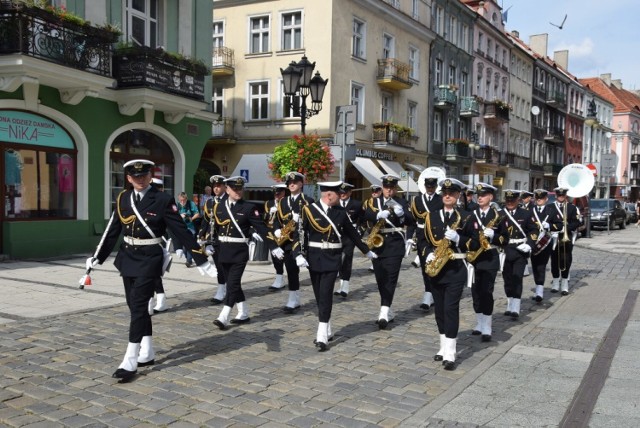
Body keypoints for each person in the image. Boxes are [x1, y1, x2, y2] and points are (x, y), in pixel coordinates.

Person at [87, 159, 217, 382]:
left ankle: (130, 359)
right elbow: (113, 230)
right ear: (128, 178)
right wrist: (97, 257)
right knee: (135, 307)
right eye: (135, 176)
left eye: (144, 175)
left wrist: (200, 258)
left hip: (149, 260)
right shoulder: (123, 198)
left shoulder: (163, 199)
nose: (140, 179)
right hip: (127, 258)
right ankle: (147, 351)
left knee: (138, 306)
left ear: (150, 176)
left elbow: (181, 231)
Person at [293, 181, 377, 350]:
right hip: (314, 258)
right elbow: (299, 234)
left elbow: (353, 234)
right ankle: (327, 327)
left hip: (332, 258)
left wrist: (366, 251)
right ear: (329, 195)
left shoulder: (340, 212)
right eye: (339, 194)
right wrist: (297, 255)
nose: (342, 197)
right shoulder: (309, 210)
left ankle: (322, 335)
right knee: (319, 296)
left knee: (326, 294)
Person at [210, 176, 278, 329]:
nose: (238, 192)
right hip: (223, 250)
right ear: (227, 189)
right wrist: (207, 242)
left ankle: (224, 315)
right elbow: (214, 227)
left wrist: (274, 246)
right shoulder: (219, 207)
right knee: (233, 284)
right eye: (235, 189)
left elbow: (261, 228)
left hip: (239, 251)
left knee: (232, 284)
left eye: (240, 189)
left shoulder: (248, 207)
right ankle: (244, 312)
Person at [423, 178, 471, 370]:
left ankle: (450, 352)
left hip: (456, 268)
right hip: (437, 269)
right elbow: (423, 240)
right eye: (445, 193)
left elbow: (474, 243)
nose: (448, 196)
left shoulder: (467, 216)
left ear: (458, 195)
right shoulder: (431, 216)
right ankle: (443, 346)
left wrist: (459, 238)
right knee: (440, 310)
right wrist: (427, 253)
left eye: (452, 193)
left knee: (451, 308)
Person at [363, 174, 414, 329]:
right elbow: (363, 215)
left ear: (396, 188)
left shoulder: (402, 202)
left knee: (391, 278)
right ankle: (388, 308)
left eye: (392, 188)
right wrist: (376, 215)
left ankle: (384, 311)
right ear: (382, 187)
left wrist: (402, 215)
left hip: (394, 244)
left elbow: (412, 221)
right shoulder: (373, 202)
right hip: (377, 244)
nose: (389, 191)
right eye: (386, 188)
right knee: (380, 278)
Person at [462, 183, 508, 342]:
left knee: (487, 291)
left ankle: (487, 325)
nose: (479, 197)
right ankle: (479, 322)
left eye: (483, 195)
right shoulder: (471, 215)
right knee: (475, 292)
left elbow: (505, 239)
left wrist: (494, 236)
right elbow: (465, 236)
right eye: (478, 195)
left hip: (490, 258)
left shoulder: (499, 215)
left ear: (491, 197)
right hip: (474, 259)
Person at [271, 172, 315, 313]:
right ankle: (293, 298)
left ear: (301, 184)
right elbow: (277, 219)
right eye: (289, 183)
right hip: (287, 242)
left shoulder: (308, 201)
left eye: (294, 182)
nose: (291, 184)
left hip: (303, 241)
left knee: (313, 270)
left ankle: (320, 295)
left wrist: (299, 220)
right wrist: (277, 229)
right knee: (291, 270)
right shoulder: (283, 201)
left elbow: (314, 223)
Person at [408, 174, 443, 312]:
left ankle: (433, 293)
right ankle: (428, 293)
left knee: (436, 265)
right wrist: (409, 237)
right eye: (428, 187)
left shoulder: (440, 200)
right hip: (422, 236)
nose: (430, 189)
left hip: (436, 237)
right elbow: (412, 220)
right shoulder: (417, 200)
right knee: (425, 266)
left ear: (435, 187)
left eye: (432, 187)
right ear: (425, 187)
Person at [501, 190, 537, 319]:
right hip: (505, 250)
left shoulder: (526, 214)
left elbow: (534, 230)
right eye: (508, 200)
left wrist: (530, 244)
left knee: (517, 278)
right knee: (507, 279)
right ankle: (509, 303)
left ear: (518, 201)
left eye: (512, 200)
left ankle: (515, 306)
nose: (510, 203)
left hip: (519, 250)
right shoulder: (500, 214)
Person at [199, 175, 228, 304]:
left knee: (226, 265)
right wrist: (201, 236)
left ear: (224, 187)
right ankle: (221, 289)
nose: (216, 188)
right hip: (213, 240)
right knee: (218, 265)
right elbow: (205, 220)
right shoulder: (209, 202)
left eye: (219, 186)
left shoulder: (229, 200)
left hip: (227, 238)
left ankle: (228, 287)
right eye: (214, 186)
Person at [549, 187, 581, 295]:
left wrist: (566, 228)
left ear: (565, 196)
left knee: (566, 260)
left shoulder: (571, 208)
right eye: (559, 195)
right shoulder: (550, 207)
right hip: (554, 238)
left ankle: (564, 284)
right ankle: (555, 283)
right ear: (556, 196)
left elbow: (576, 222)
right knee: (554, 261)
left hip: (566, 238)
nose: (561, 197)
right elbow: (547, 222)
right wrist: (553, 228)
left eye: (563, 195)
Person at [529, 189, 560, 302]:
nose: (539, 200)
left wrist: (550, 226)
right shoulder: (530, 210)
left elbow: (559, 225)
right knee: (534, 266)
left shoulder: (551, 211)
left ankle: (539, 291)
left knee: (541, 266)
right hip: (533, 242)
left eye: (541, 198)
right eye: (537, 198)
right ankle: (538, 286)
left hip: (545, 242)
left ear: (546, 199)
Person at [334, 182, 363, 298]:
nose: (343, 195)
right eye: (341, 193)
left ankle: (345, 286)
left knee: (347, 259)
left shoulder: (356, 204)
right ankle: (340, 285)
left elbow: (363, 218)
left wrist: (360, 230)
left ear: (350, 193)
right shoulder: (335, 204)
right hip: (337, 236)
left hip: (350, 237)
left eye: (345, 193)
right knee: (337, 260)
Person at [148, 177, 170, 314]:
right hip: (147, 243)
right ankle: (160, 301)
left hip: (158, 242)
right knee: (152, 275)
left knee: (153, 274)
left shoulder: (163, 202)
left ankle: (156, 302)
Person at [265, 183, 288, 291]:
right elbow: (264, 220)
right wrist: (270, 213)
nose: (277, 196)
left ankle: (289, 277)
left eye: (279, 194)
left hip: (285, 233)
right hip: (272, 234)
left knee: (287, 256)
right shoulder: (268, 203)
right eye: (275, 194)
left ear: (284, 192)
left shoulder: (287, 202)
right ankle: (279, 278)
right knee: (275, 257)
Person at [176, 192, 201, 267]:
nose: (182, 202)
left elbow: (197, 214)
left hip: (190, 228)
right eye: (181, 200)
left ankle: (189, 261)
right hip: (181, 228)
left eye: (184, 200)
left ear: (186, 199)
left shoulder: (191, 204)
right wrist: (179, 216)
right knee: (184, 247)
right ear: (179, 199)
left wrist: (191, 218)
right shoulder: (177, 205)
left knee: (189, 244)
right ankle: (189, 258)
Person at [363, 184, 383, 272]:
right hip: (371, 226)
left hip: (382, 226)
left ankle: (378, 262)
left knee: (381, 246)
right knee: (372, 246)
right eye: (373, 192)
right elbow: (363, 214)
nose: (374, 193)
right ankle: (374, 263)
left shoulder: (383, 201)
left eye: (376, 191)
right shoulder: (367, 202)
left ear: (380, 191)